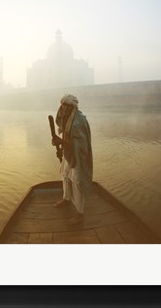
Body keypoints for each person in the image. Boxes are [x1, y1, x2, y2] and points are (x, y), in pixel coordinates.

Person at [51, 94, 93, 225]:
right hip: (68, 152)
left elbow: (79, 143)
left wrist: (61, 141)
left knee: (76, 181)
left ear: (72, 106)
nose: (63, 108)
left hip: (79, 154)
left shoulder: (78, 120)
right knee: (64, 175)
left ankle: (80, 214)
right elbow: (64, 131)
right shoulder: (66, 117)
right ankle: (66, 199)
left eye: (66, 105)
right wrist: (59, 142)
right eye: (62, 105)